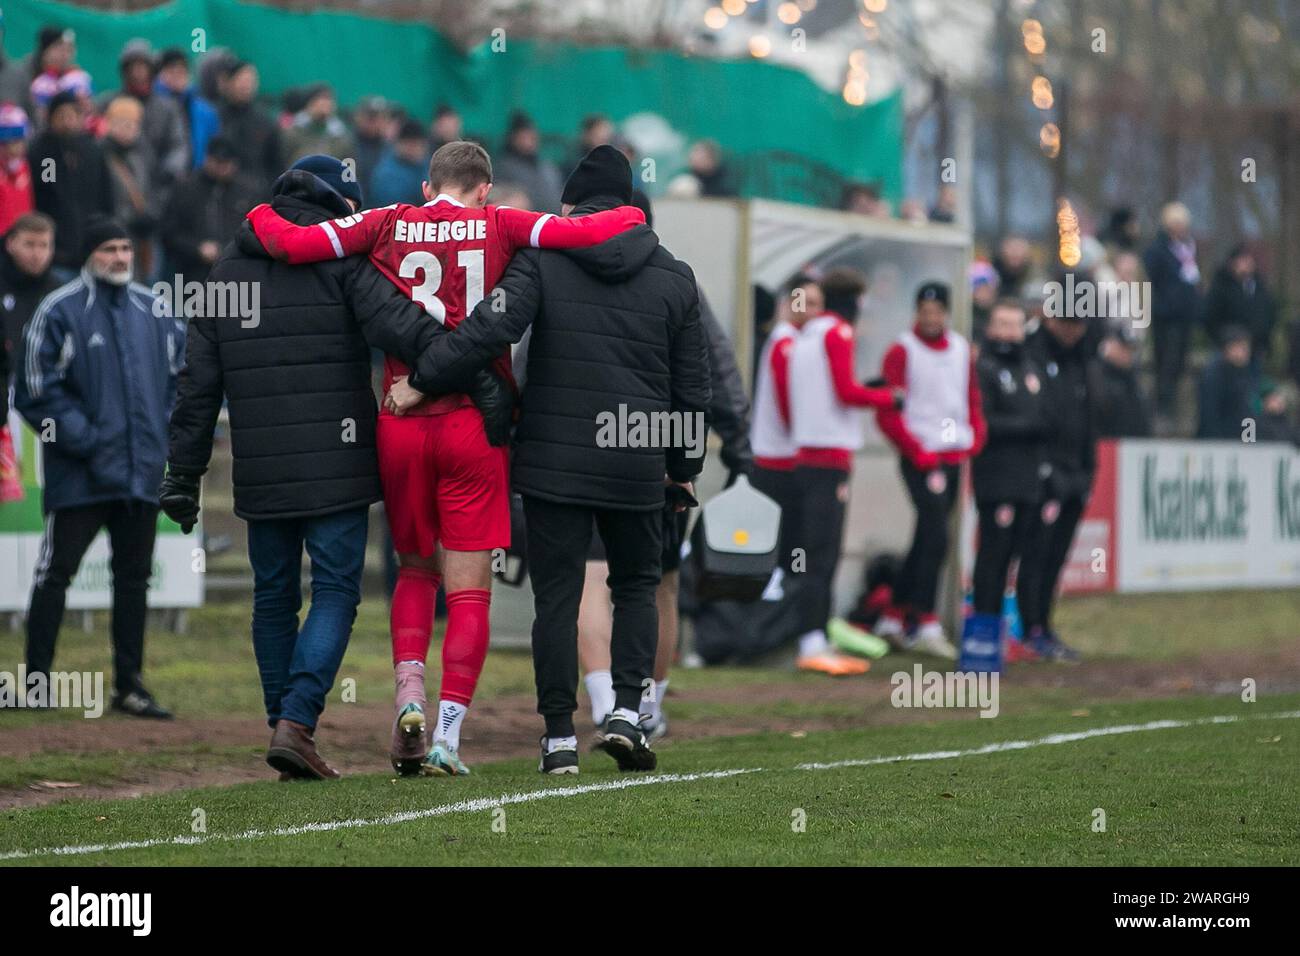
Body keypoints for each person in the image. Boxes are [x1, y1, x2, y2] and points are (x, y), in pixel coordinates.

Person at [244, 141, 645, 777]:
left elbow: (295, 244)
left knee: (413, 571)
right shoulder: (503, 223)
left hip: (399, 420)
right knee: (469, 595)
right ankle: (447, 739)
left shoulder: (384, 220)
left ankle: (408, 698)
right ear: (485, 189)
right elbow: (589, 230)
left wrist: (259, 214)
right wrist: (633, 218)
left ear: (429, 186)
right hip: (473, 426)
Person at [161, 156, 497, 779]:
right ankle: (296, 721)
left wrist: (183, 472)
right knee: (337, 590)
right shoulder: (343, 259)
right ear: (342, 206)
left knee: (272, 595)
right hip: (338, 461)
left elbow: (197, 384)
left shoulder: (226, 268)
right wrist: (479, 377)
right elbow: (404, 325)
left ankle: (285, 725)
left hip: (260, 462)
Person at [390, 145, 710, 775]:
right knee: (638, 588)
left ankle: (559, 736)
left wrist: (424, 378)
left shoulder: (544, 259)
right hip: (636, 459)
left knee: (557, 600)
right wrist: (682, 467)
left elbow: (489, 330)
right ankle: (626, 715)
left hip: (552, 462)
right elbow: (690, 388)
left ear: (571, 207)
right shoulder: (676, 276)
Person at [576, 193, 749, 739]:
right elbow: (712, 367)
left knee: (592, 581)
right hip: (659, 452)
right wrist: (738, 438)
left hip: (584, 448)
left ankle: (605, 701)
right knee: (660, 585)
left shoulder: (565, 272)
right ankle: (648, 704)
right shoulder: (678, 280)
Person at [14, 217, 185, 716]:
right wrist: (85, 439)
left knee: (133, 580)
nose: (119, 258)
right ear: (90, 254)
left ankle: (129, 686)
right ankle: (38, 684)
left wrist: (164, 436)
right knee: (55, 574)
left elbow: (181, 381)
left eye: (126, 249)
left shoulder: (154, 309)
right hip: (80, 474)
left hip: (141, 473)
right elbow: (33, 389)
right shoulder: (58, 309)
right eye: (109, 248)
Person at [788, 268, 901, 672]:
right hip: (828, 457)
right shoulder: (838, 333)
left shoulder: (805, 334)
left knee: (812, 551)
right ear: (854, 300)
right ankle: (812, 641)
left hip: (805, 452)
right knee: (824, 553)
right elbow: (845, 391)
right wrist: (889, 398)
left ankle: (812, 636)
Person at [873, 282, 985, 657]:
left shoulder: (959, 350)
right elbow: (888, 412)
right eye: (925, 311)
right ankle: (925, 620)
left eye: (937, 312)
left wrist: (975, 436)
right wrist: (915, 449)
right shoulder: (902, 351)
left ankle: (893, 616)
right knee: (936, 535)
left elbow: (969, 398)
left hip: (952, 455)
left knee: (928, 535)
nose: (931, 318)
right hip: (921, 457)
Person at [969, 299, 1046, 663]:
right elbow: (985, 422)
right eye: (1001, 324)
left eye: (1014, 325)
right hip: (996, 478)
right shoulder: (983, 368)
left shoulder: (1030, 368)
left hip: (1027, 479)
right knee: (993, 557)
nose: (1008, 332)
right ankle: (982, 635)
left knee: (1018, 556)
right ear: (990, 327)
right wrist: (1031, 428)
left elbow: (1044, 413)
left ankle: (1006, 632)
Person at [1017, 304, 1095, 662]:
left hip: (1076, 474)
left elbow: (1087, 418)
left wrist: (1087, 470)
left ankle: (1044, 626)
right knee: (1036, 553)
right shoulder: (1032, 355)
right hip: (1045, 473)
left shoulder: (1080, 358)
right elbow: (1039, 416)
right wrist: (1045, 468)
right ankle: (1030, 627)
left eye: (1078, 323)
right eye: (1066, 322)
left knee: (1057, 556)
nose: (1072, 330)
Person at [160, 135, 260, 290]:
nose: (221, 168)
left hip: (236, 277)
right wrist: (197, 248)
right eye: (217, 162)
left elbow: (256, 233)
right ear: (207, 159)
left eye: (226, 163)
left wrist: (227, 250)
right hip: (191, 275)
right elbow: (169, 232)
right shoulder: (185, 188)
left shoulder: (248, 192)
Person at [29, 90, 113, 270]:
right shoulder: (45, 155)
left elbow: (105, 196)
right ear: (51, 119)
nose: (67, 122)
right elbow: (47, 193)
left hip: (90, 249)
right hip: (57, 251)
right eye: (61, 116)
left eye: (72, 115)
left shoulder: (92, 151)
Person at [97, 40, 188, 188]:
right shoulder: (107, 102)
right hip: (118, 183)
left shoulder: (167, 107)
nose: (138, 72)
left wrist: (169, 170)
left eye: (143, 66)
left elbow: (179, 145)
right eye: (133, 67)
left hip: (159, 184)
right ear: (125, 71)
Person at [1143, 201, 1201, 421]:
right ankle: (1162, 407)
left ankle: (1174, 404)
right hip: (1166, 316)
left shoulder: (1188, 248)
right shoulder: (1158, 250)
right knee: (1165, 362)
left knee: (1179, 362)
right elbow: (1152, 280)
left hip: (1185, 315)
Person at [0, 213, 65, 401]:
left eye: (44, 245)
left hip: (45, 391)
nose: (37, 254)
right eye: (29, 244)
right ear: (11, 244)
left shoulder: (59, 292)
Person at [101, 95, 161, 280]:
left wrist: (151, 215)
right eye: (121, 122)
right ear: (109, 124)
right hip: (114, 237)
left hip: (144, 239)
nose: (128, 129)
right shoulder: (100, 155)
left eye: (132, 123)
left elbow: (153, 190)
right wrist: (129, 218)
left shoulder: (144, 154)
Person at [1202, 244, 1276, 363]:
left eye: (1248, 261)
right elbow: (1210, 317)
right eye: (1242, 261)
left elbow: (1269, 313)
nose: (1246, 264)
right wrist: (1225, 341)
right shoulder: (1221, 286)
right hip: (1227, 347)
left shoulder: (1260, 287)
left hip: (1256, 346)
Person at [215, 60, 281, 192]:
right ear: (228, 82)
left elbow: (276, 163)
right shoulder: (214, 116)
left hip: (255, 193)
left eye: (251, 81)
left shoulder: (264, 121)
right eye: (242, 80)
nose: (246, 85)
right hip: (219, 189)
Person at [154, 48, 220, 169]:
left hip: (198, 179)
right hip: (163, 179)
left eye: (182, 71)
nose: (177, 75)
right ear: (160, 74)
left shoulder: (205, 110)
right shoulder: (152, 106)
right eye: (171, 71)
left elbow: (215, 145)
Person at [494, 110, 564, 214]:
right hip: (523, 225)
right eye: (523, 137)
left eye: (531, 137)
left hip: (552, 222)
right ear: (513, 138)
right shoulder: (503, 168)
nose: (528, 141)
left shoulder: (547, 167)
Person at [1196, 326, 1258, 441]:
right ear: (1228, 348)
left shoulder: (1245, 373)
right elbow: (1210, 413)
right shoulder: (1213, 375)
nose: (1246, 352)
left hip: (1240, 438)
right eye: (1241, 348)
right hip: (1219, 440)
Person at [1092, 325, 1152, 438]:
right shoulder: (1095, 377)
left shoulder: (1134, 383)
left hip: (1130, 448)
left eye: (1131, 349)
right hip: (1105, 448)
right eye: (1123, 347)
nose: (1127, 354)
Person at [281, 83, 353, 165]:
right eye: (320, 99)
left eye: (328, 99)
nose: (325, 104)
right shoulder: (293, 131)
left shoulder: (341, 136)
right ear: (309, 103)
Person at [369, 118, 427, 208]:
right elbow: (393, 205)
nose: (415, 149)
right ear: (400, 144)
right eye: (411, 144)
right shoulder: (386, 172)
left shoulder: (426, 165)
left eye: (418, 144)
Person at [0, 103, 33, 235]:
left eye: (19, 141)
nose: (15, 147)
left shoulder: (26, 166)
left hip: (22, 239)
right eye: (6, 142)